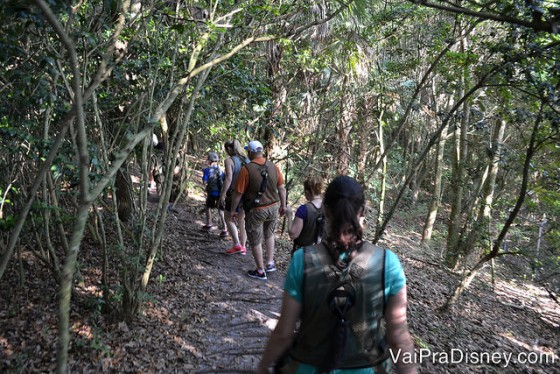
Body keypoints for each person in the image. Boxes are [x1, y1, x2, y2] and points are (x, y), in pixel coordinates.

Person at [256, 176, 417, 374]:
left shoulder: (302, 260)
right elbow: (399, 337)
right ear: (363, 212)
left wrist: (263, 367)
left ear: (325, 210)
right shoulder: (388, 263)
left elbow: (284, 333)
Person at [230, 140, 287, 280]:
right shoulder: (273, 166)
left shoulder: (246, 169)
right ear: (261, 152)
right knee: (269, 234)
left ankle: (260, 270)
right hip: (273, 207)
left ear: (250, 152)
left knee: (255, 238)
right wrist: (283, 205)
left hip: (257, 210)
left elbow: (238, 193)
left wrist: (233, 210)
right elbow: (281, 188)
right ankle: (270, 263)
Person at [220, 140, 250, 255]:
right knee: (241, 220)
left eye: (226, 149)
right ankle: (243, 247)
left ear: (229, 149)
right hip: (245, 194)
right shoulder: (247, 160)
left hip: (233, 193)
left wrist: (223, 194)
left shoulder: (229, 160)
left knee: (228, 218)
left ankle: (237, 244)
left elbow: (228, 178)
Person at [285, 176, 324, 254]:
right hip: (321, 253)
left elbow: (293, 234)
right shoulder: (328, 207)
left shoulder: (303, 210)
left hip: (302, 253)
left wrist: (289, 215)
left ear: (307, 192)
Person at [202, 151, 227, 235]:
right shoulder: (221, 170)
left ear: (210, 160)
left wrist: (205, 187)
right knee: (221, 211)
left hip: (212, 193)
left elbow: (205, 182)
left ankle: (209, 223)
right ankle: (225, 229)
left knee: (208, 207)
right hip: (220, 193)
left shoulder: (207, 170)